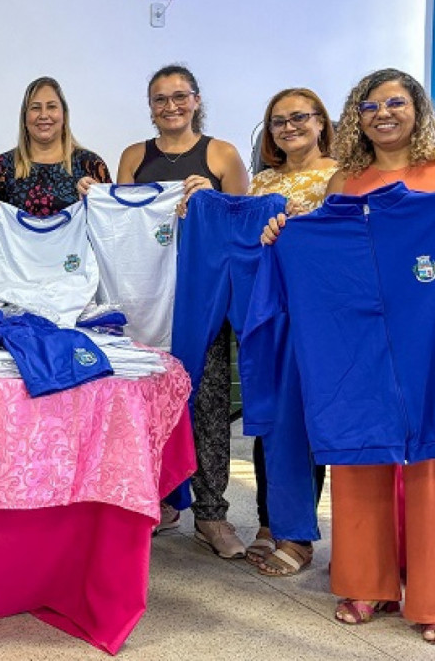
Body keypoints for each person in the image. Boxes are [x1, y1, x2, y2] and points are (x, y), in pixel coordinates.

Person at [261, 68, 435, 643]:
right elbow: (318, 244)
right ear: (355, 118)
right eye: (369, 106)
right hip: (354, 334)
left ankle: (431, 595)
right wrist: (285, 233)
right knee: (359, 448)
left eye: (395, 102)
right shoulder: (345, 180)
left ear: (417, 109)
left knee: (431, 459)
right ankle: (367, 583)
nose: (382, 113)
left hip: (426, 328)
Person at [115, 64, 249, 558]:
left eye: (179, 96)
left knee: (208, 404)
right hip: (145, 298)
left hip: (203, 295)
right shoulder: (133, 156)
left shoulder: (221, 154)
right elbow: (121, 227)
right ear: (150, 107)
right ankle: (160, 502)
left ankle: (212, 515)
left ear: (196, 100)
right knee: (148, 406)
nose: (170, 106)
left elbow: (244, 227)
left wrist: (211, 201)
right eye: (159, 99)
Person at [244, 88, 337, 577]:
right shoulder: (261, 181)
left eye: (299, 117)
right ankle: (268, 519)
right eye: (278, 121)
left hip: (316, 311)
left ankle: (298, 534)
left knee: (301, 418)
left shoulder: (340, 176)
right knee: (264, 414)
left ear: (321, 121)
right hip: (268, 309)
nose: (289, 127)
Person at [0, 76, 108, 216]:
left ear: (64, 115)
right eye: (35, 108)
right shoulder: (2, 167)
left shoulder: (90, 165)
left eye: (51, 107)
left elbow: (110, 224)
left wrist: (93, 202)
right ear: (24, 117)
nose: (43, 115)